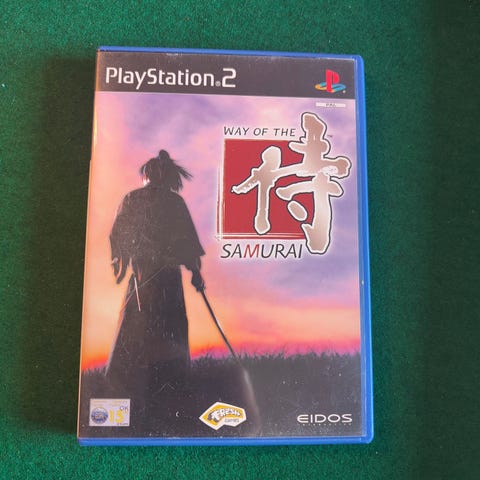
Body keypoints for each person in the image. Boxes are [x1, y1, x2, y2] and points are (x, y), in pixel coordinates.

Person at [106, 150, 205, 394]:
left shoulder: (133, 199)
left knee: (140, 324)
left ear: (149, 174)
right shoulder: (172, 202)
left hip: (145, 276)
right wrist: (195, 272)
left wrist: (120, 261)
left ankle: (129, 382)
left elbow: (118, 235)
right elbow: (187, 244)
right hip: (162, 277)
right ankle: (170, 382)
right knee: (165, 326)